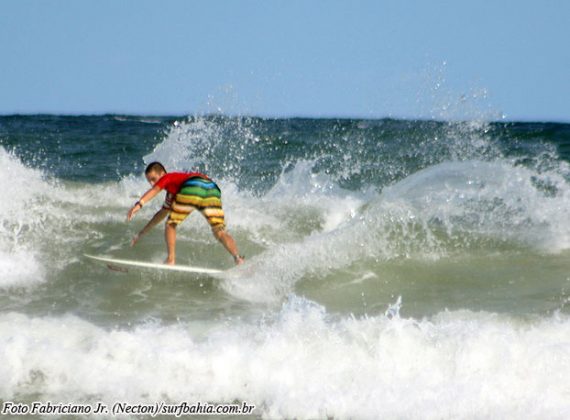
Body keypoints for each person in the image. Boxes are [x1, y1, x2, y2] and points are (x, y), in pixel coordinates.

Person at [127, 162, 244, 265]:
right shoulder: (173, 192)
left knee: (170, 224)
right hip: (212, 188)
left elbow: (155, 190)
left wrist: (139, 204)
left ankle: (170, 259)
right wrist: (141, 233)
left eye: (153, 179)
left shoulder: (168, 177)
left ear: (162, 173)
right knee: (219, 231)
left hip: (193, 185)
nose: (152, 183)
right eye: (149, 181)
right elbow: (161, 214)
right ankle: (238, 258)